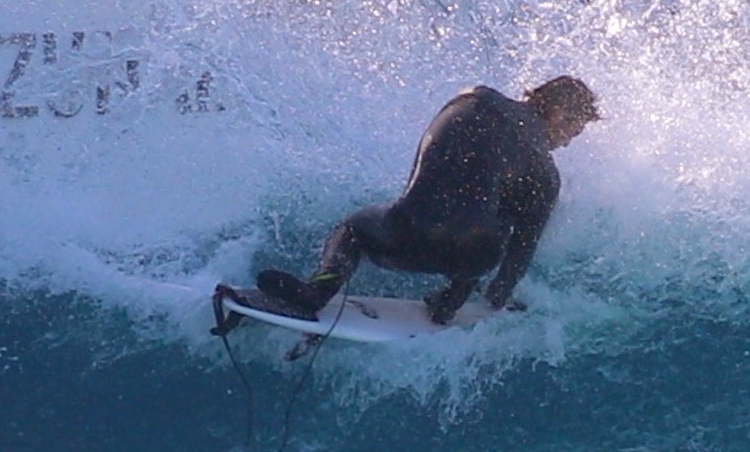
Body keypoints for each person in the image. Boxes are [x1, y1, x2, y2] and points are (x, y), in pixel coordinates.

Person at [218, 76, 600, 331]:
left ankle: (317, 291)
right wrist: (498, 300)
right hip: (473, 258)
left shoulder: (474, 97)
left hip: (410, 235)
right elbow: (518, 255)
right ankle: (448, 303)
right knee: (491, 220)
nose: (567, 142)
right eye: (573, 130)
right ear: (557, 113)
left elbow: (430, 167)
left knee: (354, 229)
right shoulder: (546, 176)